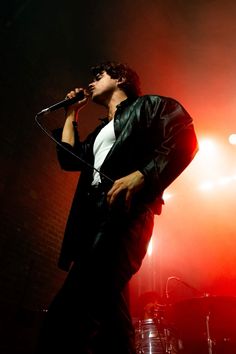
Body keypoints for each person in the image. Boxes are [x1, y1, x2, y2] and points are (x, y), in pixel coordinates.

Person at [36, 61, 198, 354]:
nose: (92, 82)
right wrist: (72, 112)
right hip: (92, 219)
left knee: (70, 312)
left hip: (123, 216)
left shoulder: (149, 106)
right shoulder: (101, 132)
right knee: (112, 325)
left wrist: (143, 175)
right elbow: (69, 158)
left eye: (99, 76)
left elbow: (185, 137)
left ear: (120, 78)